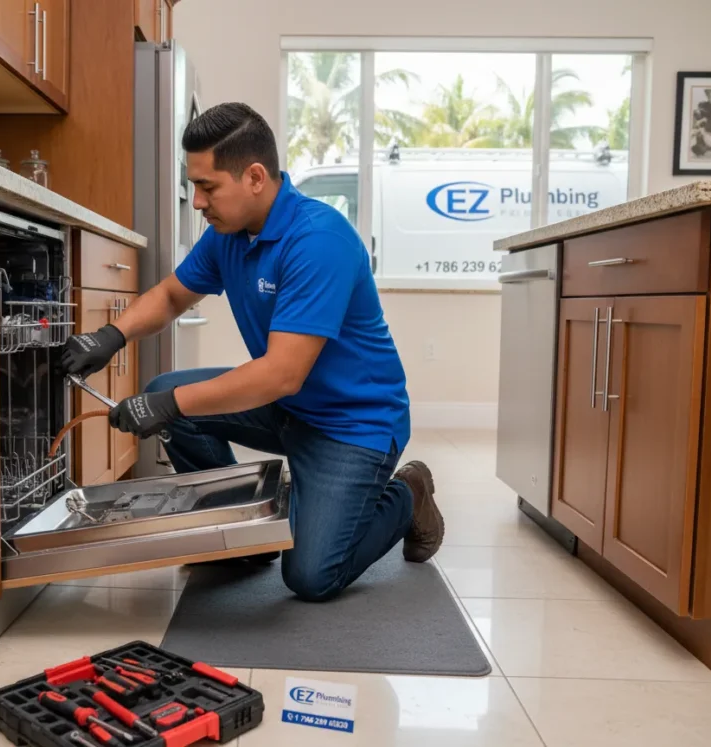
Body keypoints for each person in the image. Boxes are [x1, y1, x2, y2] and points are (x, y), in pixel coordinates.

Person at [59, 102, 443, 602]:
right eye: (194, 185)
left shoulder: (318, 241)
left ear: (255, 177)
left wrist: (169, 407)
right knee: (166, 393)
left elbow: (281, 373)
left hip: (352, 425)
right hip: (289, 406)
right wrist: (111, 336)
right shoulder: (229, 234)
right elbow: (174, 294)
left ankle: (407, 493)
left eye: (207, 186)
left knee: (311, 577)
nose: (197, 201)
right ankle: (240, 537)